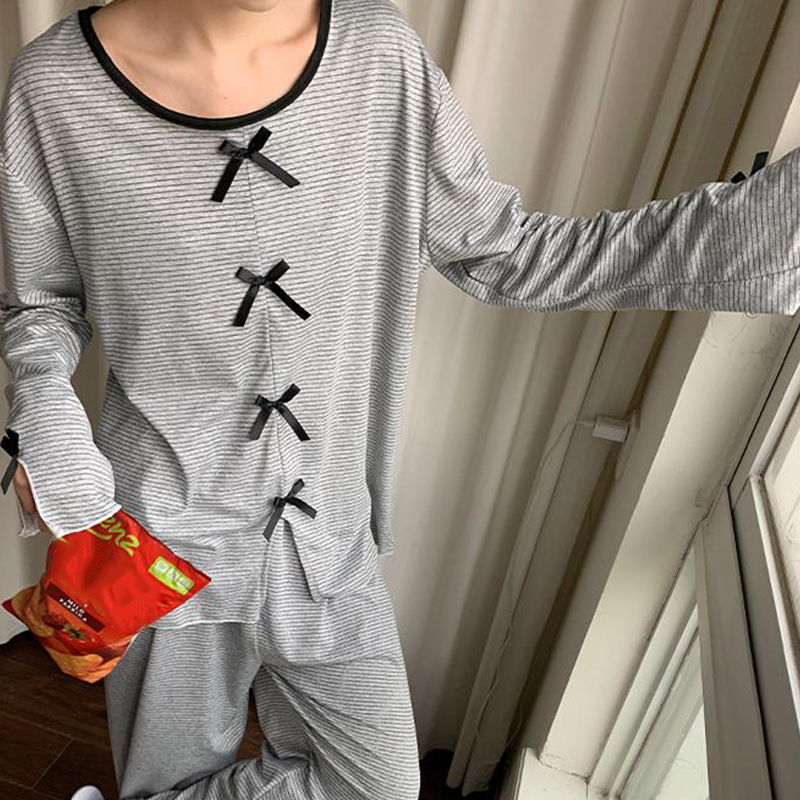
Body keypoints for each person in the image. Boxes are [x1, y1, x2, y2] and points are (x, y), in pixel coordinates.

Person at [0, 0, 798, 798]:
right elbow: (40, 304)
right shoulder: (54, 87)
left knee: (375, 784)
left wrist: (745, 233)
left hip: (324, 530)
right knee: (166, 778)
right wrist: (43, 404)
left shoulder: (379, 58)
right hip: (159, 542)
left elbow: (506, 253)